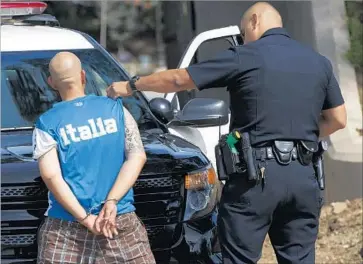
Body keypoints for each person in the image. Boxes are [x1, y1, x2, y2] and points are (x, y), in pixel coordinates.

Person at [106, 2, 347, 263]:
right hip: (303, 176)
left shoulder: (245, 56)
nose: (243, 40)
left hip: (255, 179)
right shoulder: (318, 62)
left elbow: (178, 80)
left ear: (254, 21)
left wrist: (132, 85)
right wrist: (302, 137)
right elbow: (338, 119)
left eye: (243, 34)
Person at [32, 52, 156, 264]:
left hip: (65, 230)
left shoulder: (47, 123)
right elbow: (137, 155)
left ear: (51, 83)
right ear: (83, 76)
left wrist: (84, 218)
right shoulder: (115, 109)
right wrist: (112, 200)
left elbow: (51, 175)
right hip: (117, 219)